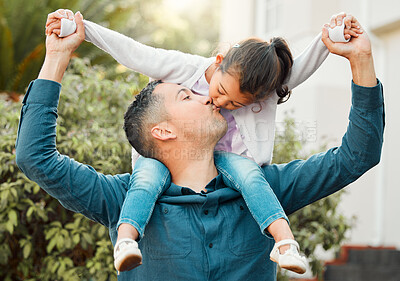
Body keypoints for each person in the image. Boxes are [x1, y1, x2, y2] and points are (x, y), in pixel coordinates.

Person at [16, 11, 383, 281]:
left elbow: (357, 156)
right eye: (185, 95)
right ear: (163, 131)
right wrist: (58, 56)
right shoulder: (123, 200)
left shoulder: (265, 189)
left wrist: (361, 60)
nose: (206, 96)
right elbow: (36, 157)